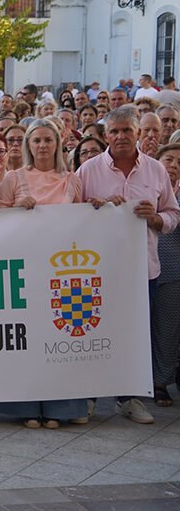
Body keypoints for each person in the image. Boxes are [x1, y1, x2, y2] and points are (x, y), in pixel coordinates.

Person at [79, 106, 180, 424]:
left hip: (142, 270)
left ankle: (128, 397)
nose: (121, 136)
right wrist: (91, 210)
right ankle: (89, 397)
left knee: (134, 335)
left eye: (127, 130)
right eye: (114, 131)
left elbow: (173, 214)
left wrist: (156, 219)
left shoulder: (156, 170)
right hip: (97, 271)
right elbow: (70, 217)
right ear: (105, 135)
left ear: (138, 133)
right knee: (92, 331)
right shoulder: (89, 170)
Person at [0, 119, 87, 428]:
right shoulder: (13, 177)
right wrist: (18, 208)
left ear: (58, 144)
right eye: (37, 141)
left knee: (60, 337)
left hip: (61, 270)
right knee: (26, 338)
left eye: (48, 140)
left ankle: (61, 408)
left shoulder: (72, 180)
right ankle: (26, 407)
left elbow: (84, 221)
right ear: (28, 146)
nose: (43, 145)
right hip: (23, 267)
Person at [153, 143, 180, 407]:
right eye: (168, 159)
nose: (173, 166)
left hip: (172, 273)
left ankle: (161, 382)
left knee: (168, 329)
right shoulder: (146, 190)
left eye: (179, 163)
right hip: (140, 268)